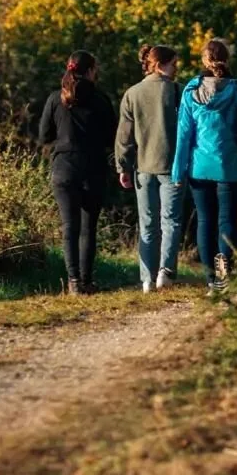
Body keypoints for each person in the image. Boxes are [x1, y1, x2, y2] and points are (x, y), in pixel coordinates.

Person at [171, 37, 237, 294]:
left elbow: (183, 135)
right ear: (227, 59)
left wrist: (178, 171)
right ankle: (223, 277)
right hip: (229, 167)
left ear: (204, 61)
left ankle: (211, 280)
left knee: (205, 221)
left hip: (199, 168)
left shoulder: (191, 91)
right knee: (227, 221)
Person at [38, 49, 117, 295]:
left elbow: (44, 136)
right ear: (91, 70)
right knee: (88, 227)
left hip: (64, 168)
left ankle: (72, 282)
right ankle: (86, 279)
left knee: (69, 226)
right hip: (93, 167)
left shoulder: (55, 98)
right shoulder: (101, 99)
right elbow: (111, 136)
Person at [115, 43, 183, 293]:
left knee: (147, 223)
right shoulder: (177, 91)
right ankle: (165, 272)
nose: (176, 69)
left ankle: (146, 278)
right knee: (171, 222)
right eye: (174, 63)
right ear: (161, 64)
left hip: (143, 167)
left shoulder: (132, 93)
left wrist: (123, 166)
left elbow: (124, 135)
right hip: (172, 166)